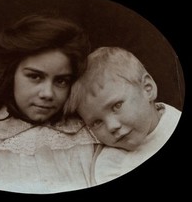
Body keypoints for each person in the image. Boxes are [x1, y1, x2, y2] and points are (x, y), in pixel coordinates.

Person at [0, 14, 96, 194]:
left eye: (61, 81)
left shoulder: (86, 131)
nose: (48, 93)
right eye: (35, 77)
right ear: (11, 75)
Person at [64, 46, 182, 186]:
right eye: (97, 122)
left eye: (116, 106)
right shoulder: (112, 165)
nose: (112, 126)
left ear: (147, 89)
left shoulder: (174, 120)